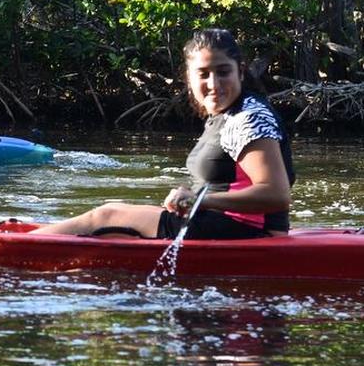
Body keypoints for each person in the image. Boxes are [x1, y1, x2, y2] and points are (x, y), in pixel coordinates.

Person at [32, 28, 294, 239]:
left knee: (106, 216)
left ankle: (14, 246)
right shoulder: (226, 114)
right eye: (203, 74)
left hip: (245, 232)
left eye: (223, 72)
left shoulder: (248, 116)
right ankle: (31, 239)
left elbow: (277, 195)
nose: (213, 84)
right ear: (189, 79)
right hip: (220, 224)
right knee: (116, 227)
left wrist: (200, 200)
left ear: (240, 70)